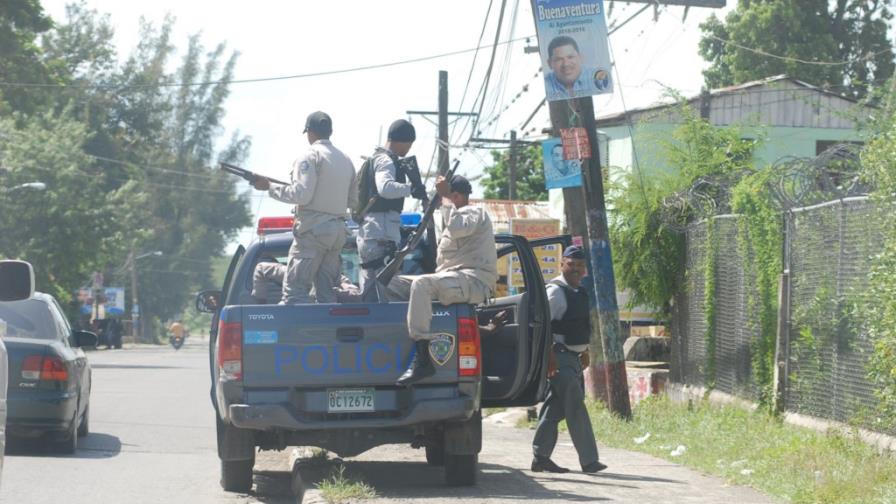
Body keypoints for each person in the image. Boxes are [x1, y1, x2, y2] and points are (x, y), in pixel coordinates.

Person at [386, 175, 497, 385]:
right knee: (391, 283)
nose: (442, 202)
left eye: (449, 196)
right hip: (452, 279)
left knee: (422, 283)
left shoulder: (474, 212)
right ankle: (401, 336)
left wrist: (445, 199)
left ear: (456, 195)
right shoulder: (450, 217)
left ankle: (423, 360)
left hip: (473, 280)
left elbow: (458, 227)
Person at [252, 111, 357, 304]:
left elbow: (301, 195)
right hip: (337, 234)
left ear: (309, 132)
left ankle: (297, 335)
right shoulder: (346, 159)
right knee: (327, 295)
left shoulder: (309, 156)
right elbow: (353, 200)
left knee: (295, 293)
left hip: (313, 233)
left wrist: (269, 187)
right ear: (330, 131)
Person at [531, 245, 607, 474]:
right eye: (571, 264)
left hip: (573, 358)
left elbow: (579, 326)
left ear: (585, 269)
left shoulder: (578, 291)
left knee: (556, 408)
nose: (576, 269)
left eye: (580, 265)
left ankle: (540, 457)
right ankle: (589, 460)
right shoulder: (555, 291)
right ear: (561, 264)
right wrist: (549, 356)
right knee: (575, 406)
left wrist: (584, 351)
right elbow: (540, 327)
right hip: (559, 358)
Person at [356, 119, 426, 300]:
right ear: (402, 141)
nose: (408, 150)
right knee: (382, 292)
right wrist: (411, 189)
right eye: (409, 145)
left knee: (373, 293)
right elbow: (385, 188)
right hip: (380, 235)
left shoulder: (379, 158)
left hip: (376, 233)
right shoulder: (385, 160)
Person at [251, 260, 360, 304]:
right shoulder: (294, 273)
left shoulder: (336, 278)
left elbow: (354, 293)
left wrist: (326, 289)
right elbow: (261, 268)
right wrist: (261, 306)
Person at [544, 36, 607, 100]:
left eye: (570, 57)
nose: (566, 64)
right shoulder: (544, 85)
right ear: (550, 63)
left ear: (580, 58)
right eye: (559, 59)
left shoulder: (597, 77)